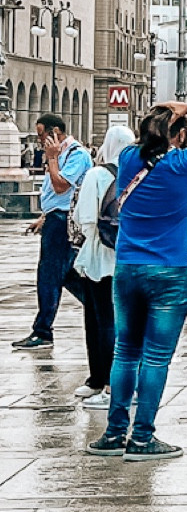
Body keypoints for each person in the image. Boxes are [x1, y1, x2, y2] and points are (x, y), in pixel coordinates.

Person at [89, 100, 187, 459]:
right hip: (170, 271)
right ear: (182, 135)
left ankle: (114, 434)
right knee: (156, 358)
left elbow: (145, 143)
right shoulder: (183, 163)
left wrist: (167, 118)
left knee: (125, 353)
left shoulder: (128, 157)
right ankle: (142, 438)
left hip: (128, 268)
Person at [12, 112, 93, 352]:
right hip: (56, 218)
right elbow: (56, 197)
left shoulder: (76, 154)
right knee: (67, 274)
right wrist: (44, 217)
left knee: (49, 274)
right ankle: (103, 308)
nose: (39, 140)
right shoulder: (61, 154)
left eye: (41, 135)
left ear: (54, 133)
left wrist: (52, 158)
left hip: (64, 221)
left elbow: (60, 187)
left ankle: (43, 331)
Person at [68, 123, 134, 408]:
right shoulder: (138, 174)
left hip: (99, 256)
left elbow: (84, 218)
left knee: (98, 319)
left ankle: (101, 379)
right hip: (129, 255)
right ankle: (117, 379)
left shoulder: (96, 174)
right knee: (124, 320)